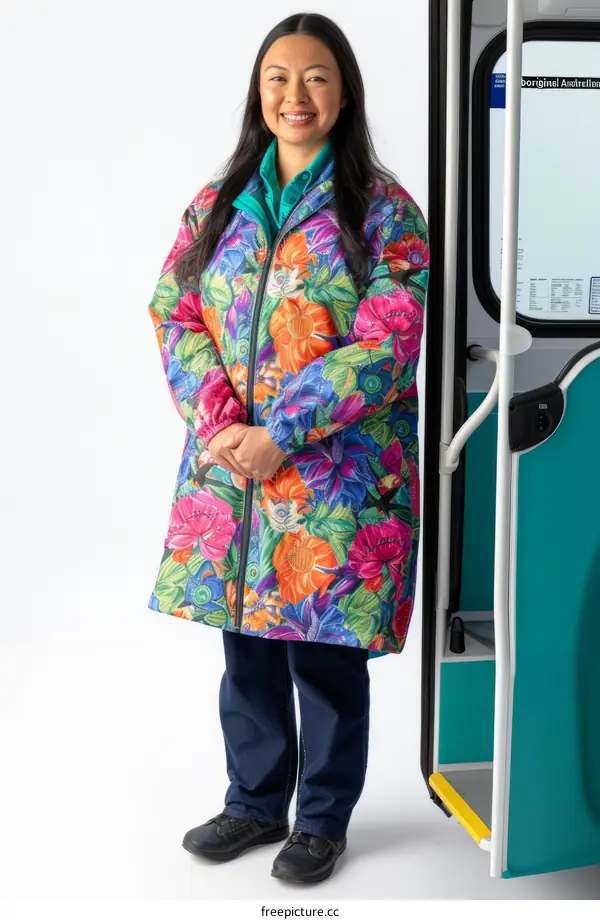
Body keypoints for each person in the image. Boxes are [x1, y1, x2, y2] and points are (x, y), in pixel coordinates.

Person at [147, 12, 429, 884]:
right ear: (257, 91)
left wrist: (284, 432)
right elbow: (174, 310)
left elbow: (387, 340)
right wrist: (226, 425)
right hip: (235, 469)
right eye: (278, 76)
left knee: (326, 649)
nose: (294, 94)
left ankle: (322, 819)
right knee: (250, 644)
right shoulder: (218, 201)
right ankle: (253, 803)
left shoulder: (383, 210)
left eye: (314, 77)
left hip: (337, 475)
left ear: (343, 91)